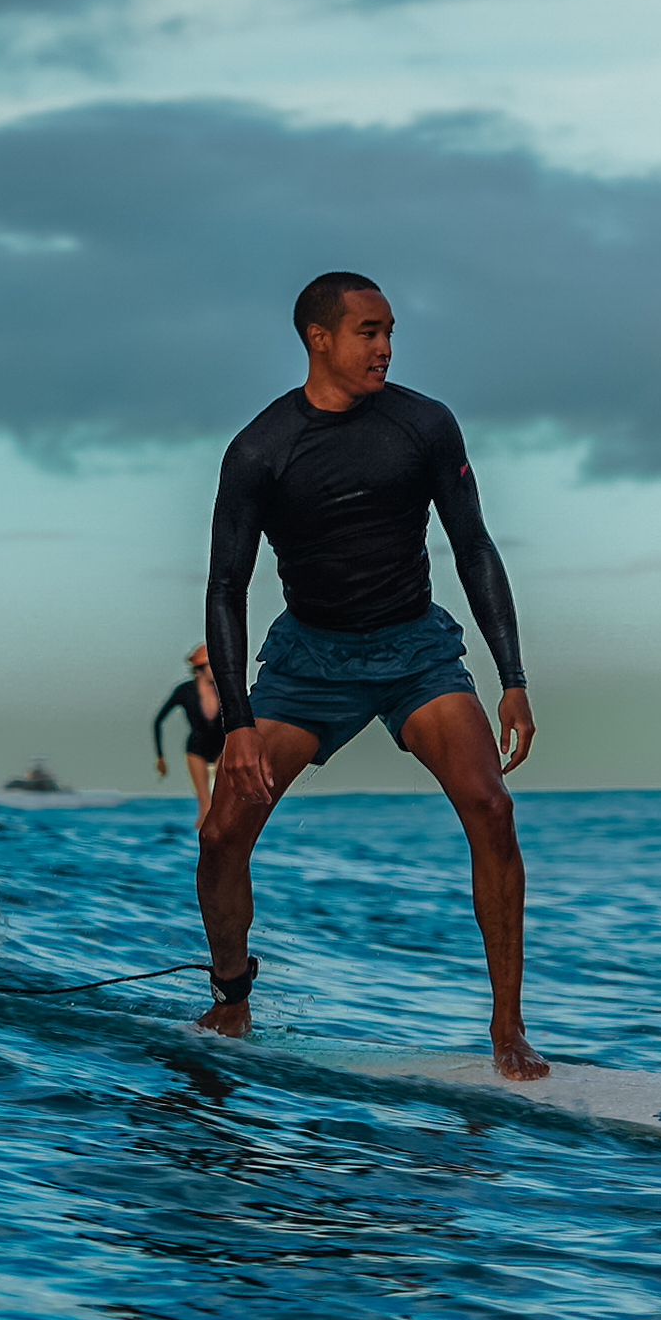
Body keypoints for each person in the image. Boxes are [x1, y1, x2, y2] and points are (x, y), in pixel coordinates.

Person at [195, 270, 544, 1078]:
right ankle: (232, 996)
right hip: (309, 661)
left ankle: (508, 1028)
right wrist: (238, 723)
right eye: (369, 332)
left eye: (390, 333)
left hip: (414, 651)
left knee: (491, 807)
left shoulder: (424, 424)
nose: (385, 348)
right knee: (221, 834)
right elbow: (224, 587)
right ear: (320, 339)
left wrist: (512, 677)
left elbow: (473, 546)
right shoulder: (260, 450)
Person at [151, 644, 227, 821]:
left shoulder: (224, 689)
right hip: (196, 749)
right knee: (205, 806)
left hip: (221, 747)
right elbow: (158, 720)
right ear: (199, 669)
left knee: (222, 803)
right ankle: (198, 837)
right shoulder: (185, 691)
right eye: (211, 666)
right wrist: (160, 757)